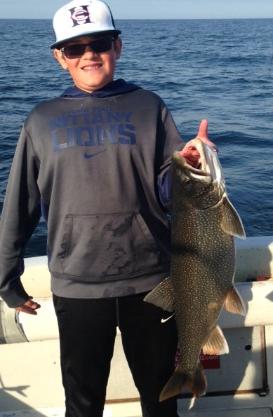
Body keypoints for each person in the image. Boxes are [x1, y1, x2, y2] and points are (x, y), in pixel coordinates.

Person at [0, 1, 214, 416]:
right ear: (59, 58)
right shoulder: (41, 119)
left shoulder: (149, 107)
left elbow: (171, 196)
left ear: (117, 46)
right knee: (82, 402)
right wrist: (7, 279)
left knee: (160, 398)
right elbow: (19, 206)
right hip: (77, 285)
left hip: (153, 281)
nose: (88, 55)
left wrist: (192, 167)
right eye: (74, 48)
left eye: (98, 43)